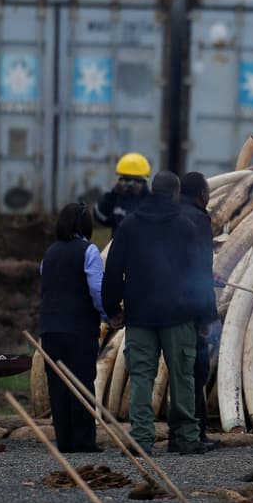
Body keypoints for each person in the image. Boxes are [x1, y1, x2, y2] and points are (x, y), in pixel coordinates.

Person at [102, 172, 209, 455]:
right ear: (175, 193)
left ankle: (141, 439)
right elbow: (200, 274)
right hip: (179, 316)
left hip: (140, 317)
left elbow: (113, 271)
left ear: (152, 191)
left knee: (140, 378)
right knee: (182, 377)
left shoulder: (129, 226)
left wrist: (112, 309)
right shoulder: (185, 227)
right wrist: (204, 316)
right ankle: (186, 439)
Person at [39, 202, 109, 454]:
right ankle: (83, 441)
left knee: (57, 387)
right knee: (81, 384)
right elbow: (97, 290)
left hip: (49, 329)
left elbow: (46, 288)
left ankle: (64, 441)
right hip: (79, 330)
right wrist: (108, 315)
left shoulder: (49, 253)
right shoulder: (88, 251)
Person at [179, 171, 219, 451]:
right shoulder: (198, 219)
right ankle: (195, 433)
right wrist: (208, 315)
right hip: (192, 308)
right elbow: (201, 269)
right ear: (201, 195)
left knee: (180, 371)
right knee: (197, 369)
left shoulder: (169, 216)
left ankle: (179, 433)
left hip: (166, 306)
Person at [94, 152, 150, 237]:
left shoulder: (150, 201)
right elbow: (100, 216)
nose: (130, 184)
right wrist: (113, 193)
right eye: (126, 179)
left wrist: (142, 194)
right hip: (118, 248)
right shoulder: (117, 197)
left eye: (135, 180)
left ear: (143, 181)